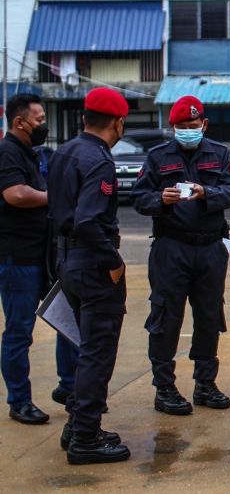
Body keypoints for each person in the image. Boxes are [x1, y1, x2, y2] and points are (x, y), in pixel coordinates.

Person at [132, 95, 230, 415]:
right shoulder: (156, 157)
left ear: (204, 124)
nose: (188, 131)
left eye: (193, 126)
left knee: (208, 315)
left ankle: (205, 383)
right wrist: (160, 199)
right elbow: (139, 198)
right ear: (172, 126)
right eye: (181, 127)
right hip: (171, 247)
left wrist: (208, 193)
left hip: (210, 247)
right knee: (166, 317)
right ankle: (164, 387)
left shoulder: (219, 154)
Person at [47, 87, 132, 464]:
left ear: (84, 117)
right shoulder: (99, 160)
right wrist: (113, 259)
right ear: (117, 122)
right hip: (93, 265)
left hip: (67, 260)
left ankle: (79, 425)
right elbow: (88, 220)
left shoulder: (64, 151)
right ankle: (85, 438)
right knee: (98, 353)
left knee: (86, 352)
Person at [0, 94, 53, 425]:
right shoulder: (8, 152)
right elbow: (15, 194)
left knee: (64, 322)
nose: (43, 125)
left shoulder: (28, 153)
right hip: (17, 260)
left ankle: (67, 387)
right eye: (39, 119)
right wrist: (54, 196)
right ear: (19, 122)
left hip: (38, 256)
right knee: (19, 332)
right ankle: (19, 401)